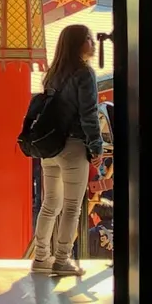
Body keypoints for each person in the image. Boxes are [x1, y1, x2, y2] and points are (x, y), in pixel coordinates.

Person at [31, 22, 105, 277]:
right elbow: (89, 113)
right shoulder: (84, 73)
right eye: (88, 38)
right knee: (72, 206)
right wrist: (96, 145)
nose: (93, 43)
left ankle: (41, 256)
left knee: (50, 204)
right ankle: (62, 259)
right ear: (78, 43)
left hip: (50, 147)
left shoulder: (53, 73)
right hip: (74, 145)